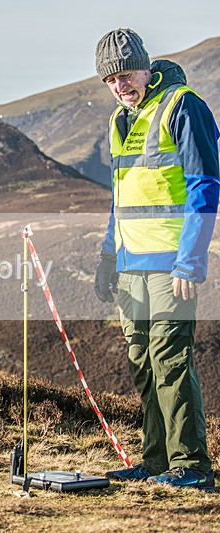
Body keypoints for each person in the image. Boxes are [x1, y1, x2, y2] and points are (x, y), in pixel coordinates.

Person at [93, 28, 219, 491]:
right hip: (131, 265)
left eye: (125, 74)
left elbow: (206, 185)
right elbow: (121, 197)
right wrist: (109, 256)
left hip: (171, 264)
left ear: (146, 67)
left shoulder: (183, 106)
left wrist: (190, 260)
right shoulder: (119, 120)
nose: (119, 86)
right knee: (141, 361)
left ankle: (193, 465)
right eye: (110, 80)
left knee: (170, 358)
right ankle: (156, 460)